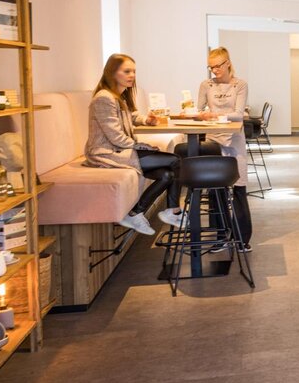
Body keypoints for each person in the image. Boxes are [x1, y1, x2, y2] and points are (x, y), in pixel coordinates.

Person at [84, 54, 185, 235]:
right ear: (112, 72)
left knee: (168, 175)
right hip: (106, 152)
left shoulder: (119, 96)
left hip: (120, 150)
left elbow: (132, 116)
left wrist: (148, 120)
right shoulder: (104, 98)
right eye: (127, 71)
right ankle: (172, 211)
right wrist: (143, 147)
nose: (132, 75)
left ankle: (135, 212)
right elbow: (115, 137)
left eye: (134, 71)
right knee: (175, 160)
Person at [175, 47, 253, 250]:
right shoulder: (206, 85)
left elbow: (239, 114)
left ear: (227, 62)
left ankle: (242, 239)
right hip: (213, 140)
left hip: (234, 140)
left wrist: (215, 116)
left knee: (238, 187)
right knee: (215, 189)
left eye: (218, 66)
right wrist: (191, 112)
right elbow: (198, 110)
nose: (215, 70)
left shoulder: (240, 85)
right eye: (211, 67)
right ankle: (220, 237)